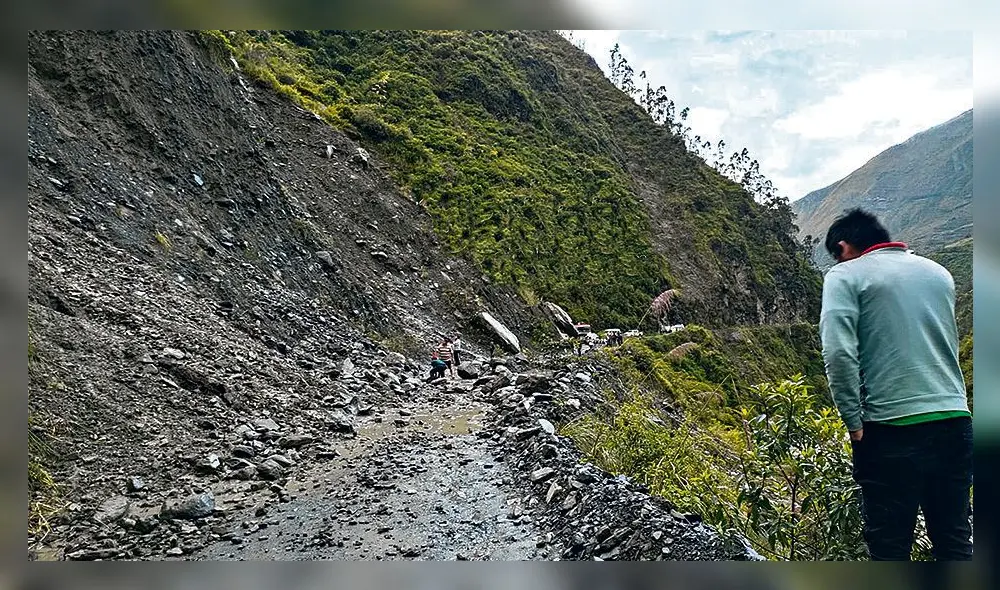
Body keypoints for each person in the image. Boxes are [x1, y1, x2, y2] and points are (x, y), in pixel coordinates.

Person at [819, 208, 972, 561]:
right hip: (954, 421)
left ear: (843, 248)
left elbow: (838, 353)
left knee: (889, 548)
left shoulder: (845, 274)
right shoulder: (939, 273)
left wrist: (853, 422)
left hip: (890, 429)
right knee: (954, 542)